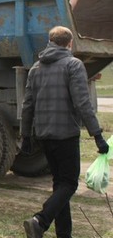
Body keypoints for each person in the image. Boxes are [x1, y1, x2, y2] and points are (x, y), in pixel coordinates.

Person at [20, 26, 110, 238]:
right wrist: (97, 136)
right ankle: (40, 221)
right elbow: (82, 103)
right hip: (66, 135)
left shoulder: (35, 68)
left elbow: (27, 105)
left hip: (44, 136)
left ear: (50, 41)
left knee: (59, 184)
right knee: (69, 184)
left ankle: (64, 234)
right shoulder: (73, 64)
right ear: (70, 43)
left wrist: (25, 136)